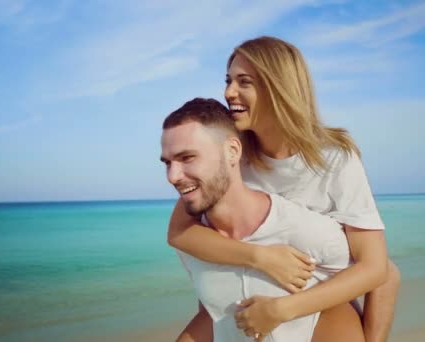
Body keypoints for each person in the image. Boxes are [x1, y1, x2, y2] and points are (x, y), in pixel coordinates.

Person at [168, 36, 400, 342]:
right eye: (228, 81)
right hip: (237, 298)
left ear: (278, 87)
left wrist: (281, 310)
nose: (229, 92)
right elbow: (180, 232)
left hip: (315, 301)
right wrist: (260, 257)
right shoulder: (234, 154)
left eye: (243, 82)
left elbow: (374, 267)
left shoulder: (334, 158)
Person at [161, 98, 364, 342]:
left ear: (233, 151)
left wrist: (281, 310)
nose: (172, 176)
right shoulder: (191, 242)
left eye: (187, 158)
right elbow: (211, 309)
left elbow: (377, 276)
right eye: (167, 163)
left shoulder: (304, 231)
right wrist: (259, 256)